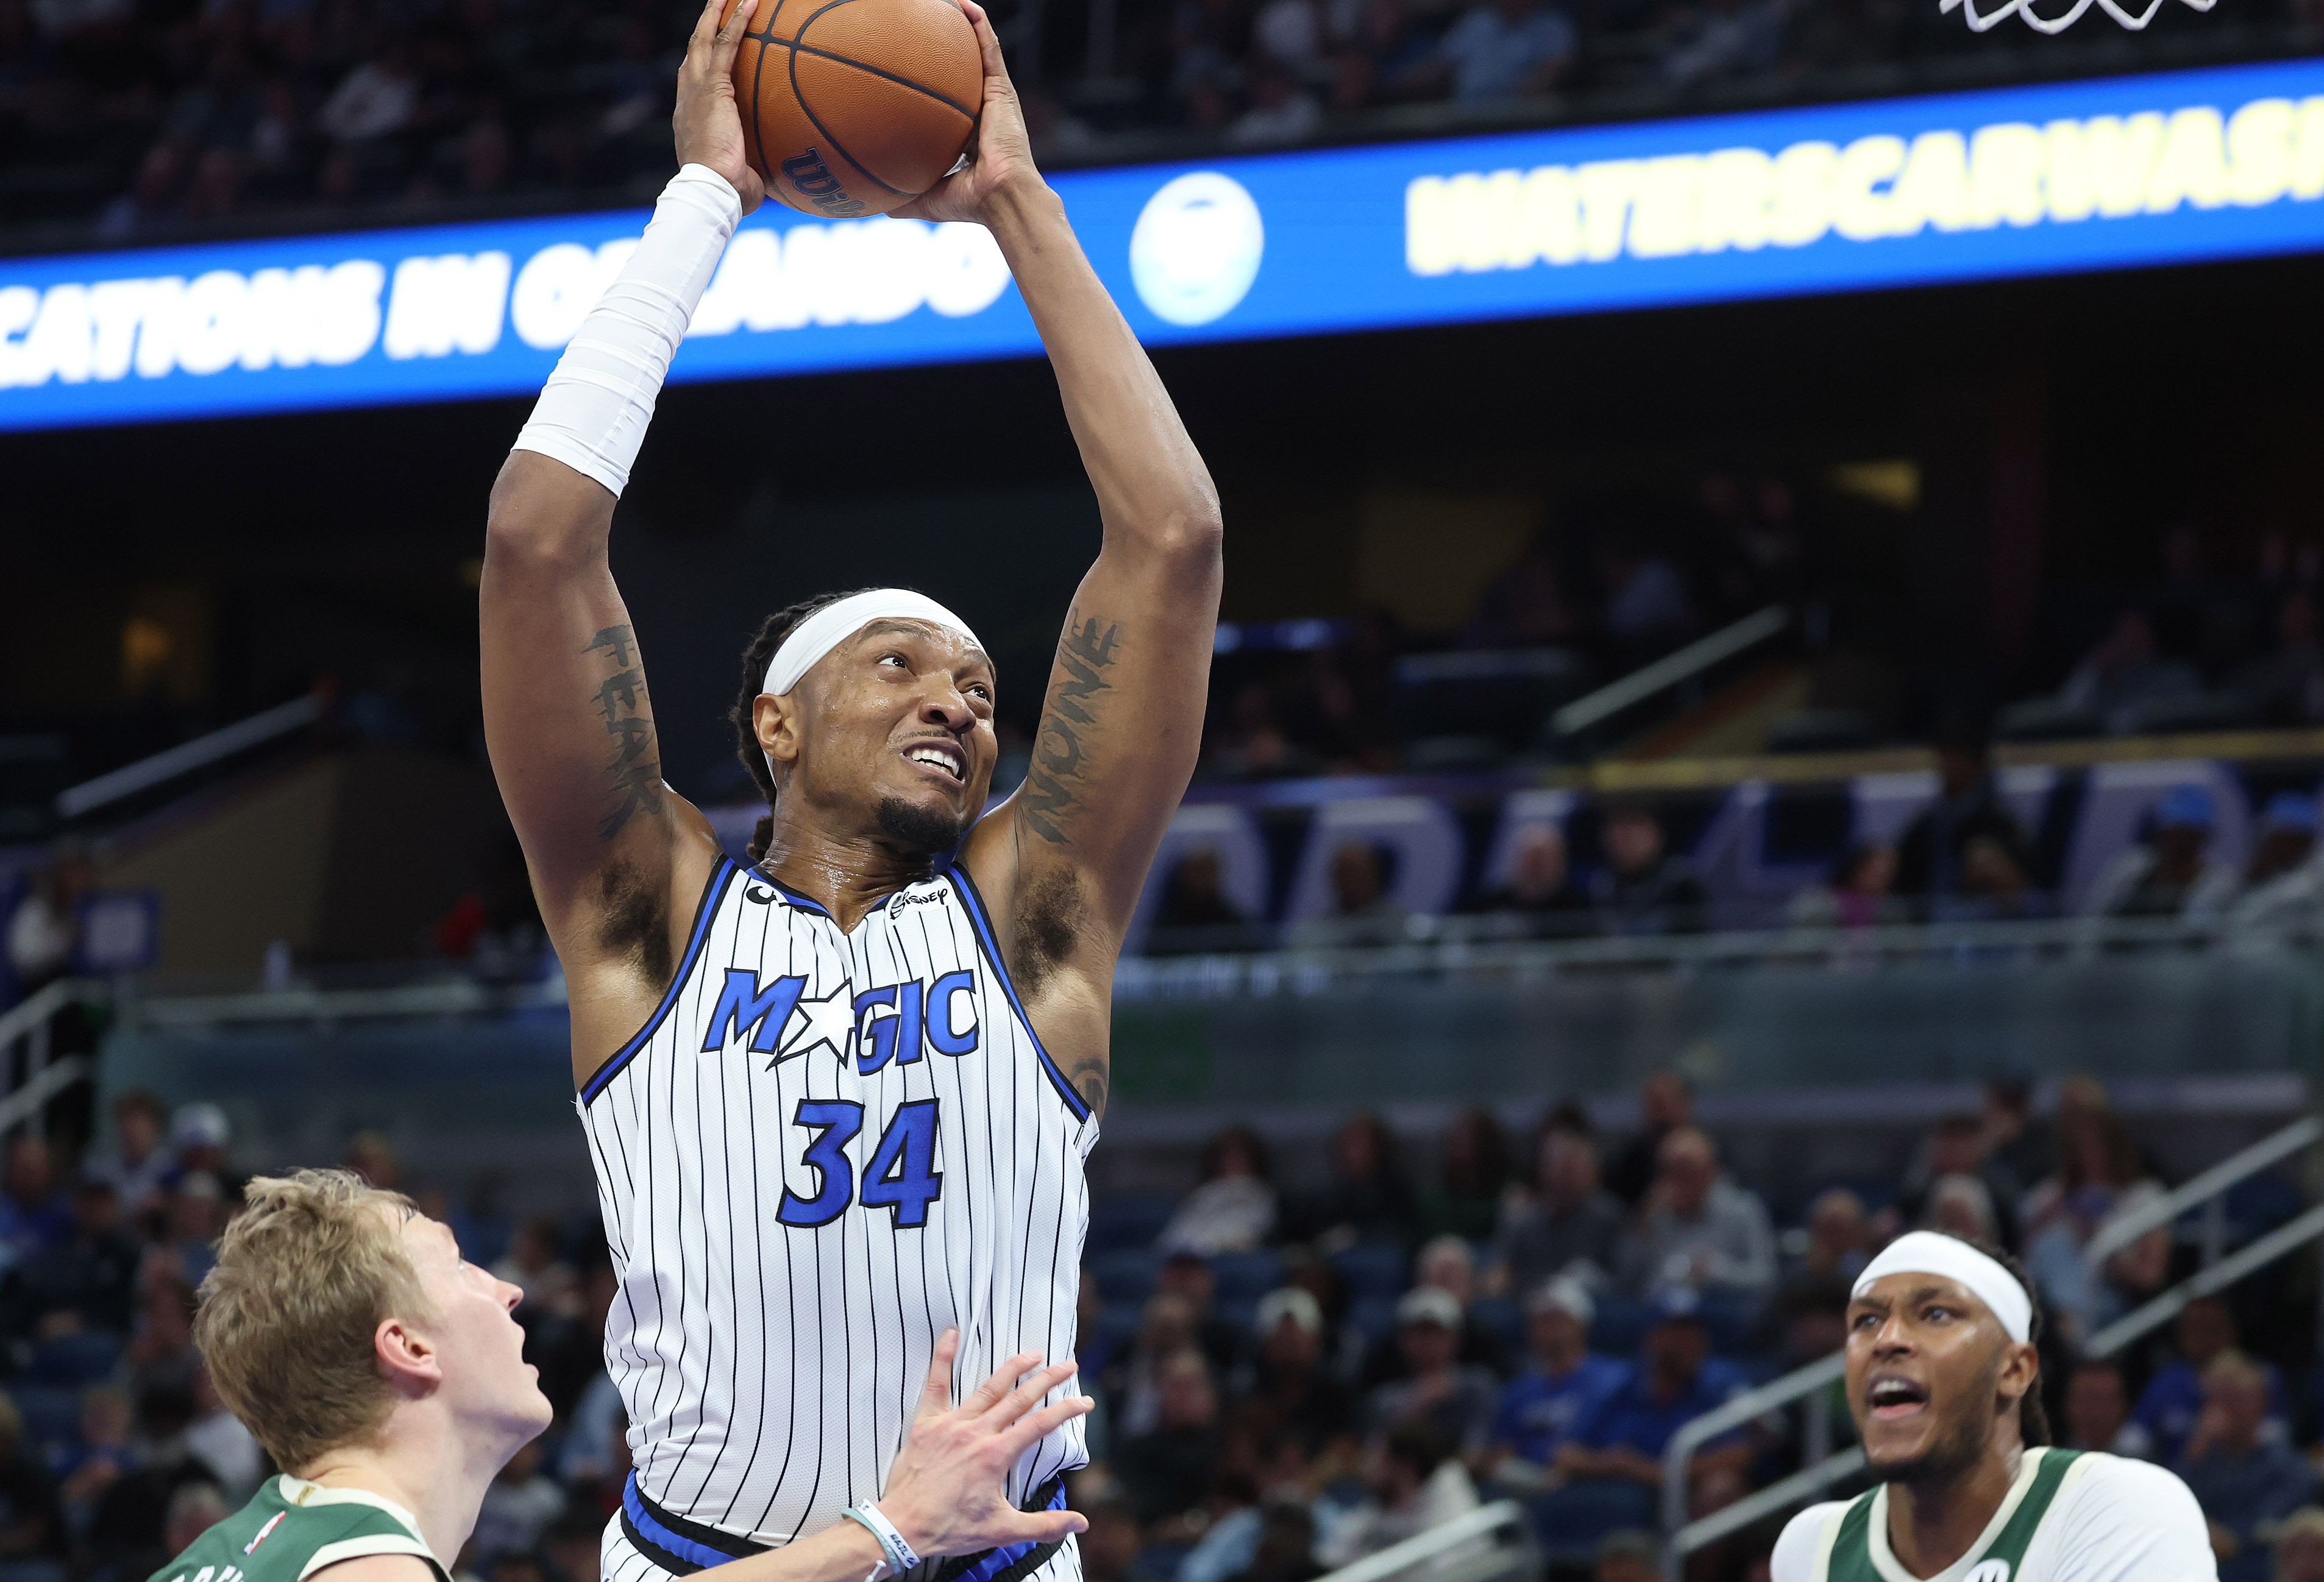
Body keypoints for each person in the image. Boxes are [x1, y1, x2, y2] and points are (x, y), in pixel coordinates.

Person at [478, 1, 1221, 1575]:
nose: (956, 694)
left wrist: (1017, 202)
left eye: (975, 685)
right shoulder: (651, 916)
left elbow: (1169, 544)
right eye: (896, 665)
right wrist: (705, 200)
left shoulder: (1033, 920)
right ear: (775, 723)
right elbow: (539, 544)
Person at [149, 1169, 1090, 1582]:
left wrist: (886, 1530)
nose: (509, 1291)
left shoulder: (259, 1544)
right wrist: (893, 1529)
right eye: (461, 1267)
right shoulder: (366, 1569)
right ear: (411, 1348)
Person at [1769, 1230, 2216, 1582]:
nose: (1886, 1340)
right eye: (1866, 1321)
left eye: (1935, 1314)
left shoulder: (2115, 1507)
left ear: (2015, 1370)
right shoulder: (1815, 1548)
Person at [2176, 1351, 2316, 1582]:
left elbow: (2268, 1525)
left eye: (2235, 1398)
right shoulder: (2202, 1459)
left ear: (2261, 1401)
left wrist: (2229, 1538)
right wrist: (2195, 1451)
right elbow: (2172, 1503)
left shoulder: (2287, 1465)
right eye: (2216, 1398)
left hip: (2258, 1570)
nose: (2225, 1409)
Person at [1478, 1280, 1624, 1494]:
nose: (1549, 1331)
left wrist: (1583, 1463)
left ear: (1581, 1325)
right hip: (1527, 1485)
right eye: (1541, 1322)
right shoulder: (1517, 1392)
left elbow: (1621, 1447)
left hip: (1587, 1483)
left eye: (1557, 1320)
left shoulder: (1612, 1379)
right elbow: (1501, 1453)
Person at [1615, 1127, 1777, 1308]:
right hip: (1660, 1315)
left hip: (1721, 1312)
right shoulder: (1655, 1214)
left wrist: (1716, 1271)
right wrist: (1642, 1228)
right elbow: (1626, 1283)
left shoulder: (1743, 1210)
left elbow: (1766, 1278)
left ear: (1711, 1172)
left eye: (1688, 1173)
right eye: (1671, 1172)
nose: (1679, 1182)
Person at [2132, 1297, 2289, 1468]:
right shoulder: (2167, 1380)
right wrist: (2199, 1444)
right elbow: (2134, 1443)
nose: (2203, 1337)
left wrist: (2241, 1435)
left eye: (2211, 1328)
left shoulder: (2262, 1374)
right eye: (2195, 1329)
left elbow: (2282, 1443)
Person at [1893, 731, 2033, 915]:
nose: (1946, 767)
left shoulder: (1998, 822)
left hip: (1983, 920)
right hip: (1930, 917)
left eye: (1955, 759)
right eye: (1944, 759)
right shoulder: (1929, 822)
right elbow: (1904, 874)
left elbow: (2028, 885)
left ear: (1973, 764)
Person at [1312, 1426, 1479, 1569]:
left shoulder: (1450, 1504)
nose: (1366, 1468)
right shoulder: (1380, 1503)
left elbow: (1448, 1569)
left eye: (1377, 1460)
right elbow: (1331, 1556)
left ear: (1405, 1467)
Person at [1362, 1288, 1498, 1450]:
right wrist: (1415, 1406)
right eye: (1419, 1332)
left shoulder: (1477, 1385)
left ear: (1455, 1339)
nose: (1428, 1342)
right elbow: (1373, 1457)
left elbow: (1479, 1448)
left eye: (1436, 1333)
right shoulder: (1385, 1399)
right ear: (1402, 1340)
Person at [1497, 1126, 1623, 1299]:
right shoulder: (1525, 1220)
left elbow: (1624, 1280)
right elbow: (1505, 1274)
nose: (1564, 1178)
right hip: (1532, 1307)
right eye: (1559, 1168)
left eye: (1572, 1169)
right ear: (1543, 1172)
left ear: (1594, 1172)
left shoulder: (1610, 1217)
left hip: (1591, 1311)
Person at [2082, 786, 2236, 921]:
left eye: (2183, 832)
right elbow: (2091, 922)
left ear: (2202, 836)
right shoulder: (2128, 868)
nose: (2174, 840)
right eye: (2169, 829)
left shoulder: (2222, 881)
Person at [1588, 806, 1708, 936]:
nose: (1626, 840)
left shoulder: (1682, 884)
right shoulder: (1600, 887)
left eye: (1634, 828)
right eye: (1619, 831)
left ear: (1657, 834)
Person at [1157, 1127, 1276, 1257]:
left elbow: (1248, 1232)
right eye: (1225, 1155)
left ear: (1252, 1159)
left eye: (1237, 1155)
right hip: (1179, 1257)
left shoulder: (1259, 1192)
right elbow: (1174, 1235)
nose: (1230, 1161)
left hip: (1223, 1259)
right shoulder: (1204, 1192)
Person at [1787, 845, 1905, 932]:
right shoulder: (1818, 901)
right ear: (1857, 868)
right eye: (1876, 873)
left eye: (1889, 874)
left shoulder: (1892, 909)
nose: (1883, 880)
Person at [2061, 1360, 2151, 1460]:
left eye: (2102, 1401)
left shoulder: (2138, 1453)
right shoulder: (2061, 1452)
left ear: (2125, 1406)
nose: (2094, 1412)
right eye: (2085, 1400)